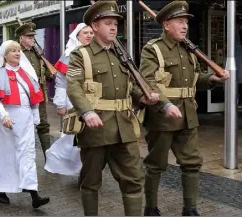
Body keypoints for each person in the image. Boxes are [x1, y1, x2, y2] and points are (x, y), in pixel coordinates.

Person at [66, 1, 160, 215]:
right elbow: (73, 87)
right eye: (108, 23)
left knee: (134, 180)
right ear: (95, 26)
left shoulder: (122, 55)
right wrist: (86, 111)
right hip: (96, 128)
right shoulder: (81, 55)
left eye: (115, 23)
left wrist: (143, 98)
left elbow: (131, 88)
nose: (113, 27)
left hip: (124, 127)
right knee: (90, 182)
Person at [138, 1, 230, 216]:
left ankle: (190, 209)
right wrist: (165, 105)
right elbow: (146, 82)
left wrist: (213, 78)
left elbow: (196, 80)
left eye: (185, 22)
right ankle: (151, 208)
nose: (184, 26)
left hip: (188, 116)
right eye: (179, 21)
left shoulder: (188, 50)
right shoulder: (153, 50)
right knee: (156, 165)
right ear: (166, 24)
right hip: (162, 118)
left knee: (192, 164)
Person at [0, 40, 50, 208]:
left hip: (25, 120)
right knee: (5, 155)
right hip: (5, 121)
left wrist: (35, 116)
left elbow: (34, 99)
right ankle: (0, 190)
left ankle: (34, 194)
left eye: (18, 50)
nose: (17, 53)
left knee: (27, 154)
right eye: (13, 51)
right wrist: (3, 116)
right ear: (5, 55)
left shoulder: (27, 74)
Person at [44, 23, 93, 176]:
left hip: (93, 100)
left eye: (91, 32)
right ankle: (60, 161)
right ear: (77, 35)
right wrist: (60, 103)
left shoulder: (96, 52)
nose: (89, 35)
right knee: (72, 136)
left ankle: (86, 170)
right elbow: (60, 81)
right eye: (85, 32)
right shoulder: (70, 54)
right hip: (74, 101)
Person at [16, 22, 53, 160]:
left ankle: (48, 158)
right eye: (28, 36)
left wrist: (51, 75)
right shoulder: (16, 52)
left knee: (43, 124)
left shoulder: (38, 52)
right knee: (24, 126)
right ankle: (24, 158)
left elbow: (44, 70)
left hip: (39, 93)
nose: (32, 39)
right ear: (21, 38)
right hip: (23, 94)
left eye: (32, 36)